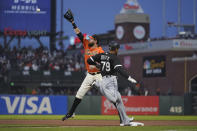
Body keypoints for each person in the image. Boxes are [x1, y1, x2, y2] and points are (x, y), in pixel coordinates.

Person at [87, 41, 143, 126]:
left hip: (104, 79)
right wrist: (129, 78)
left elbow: (89, 60)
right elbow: (120, 70)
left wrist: (98, 65)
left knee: (119, 100)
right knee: (114, 100)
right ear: (115, 49)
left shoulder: (102, 55)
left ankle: (125, 120)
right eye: (117, 49)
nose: (118, 50)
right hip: (110, 81)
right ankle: (96, 84)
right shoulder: (114, 57)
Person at [62, 9, 104, 121]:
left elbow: (105, 63)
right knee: (79, 94)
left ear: (96, 41)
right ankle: (71, 113)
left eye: (91, 39)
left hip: (99, 75)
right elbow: (79, 34)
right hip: (89, 75)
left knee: (109, 95)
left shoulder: (100, 50)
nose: (89, 39)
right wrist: (72, 22)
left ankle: (122, 117)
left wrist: (99, 65)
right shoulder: (86, 45)